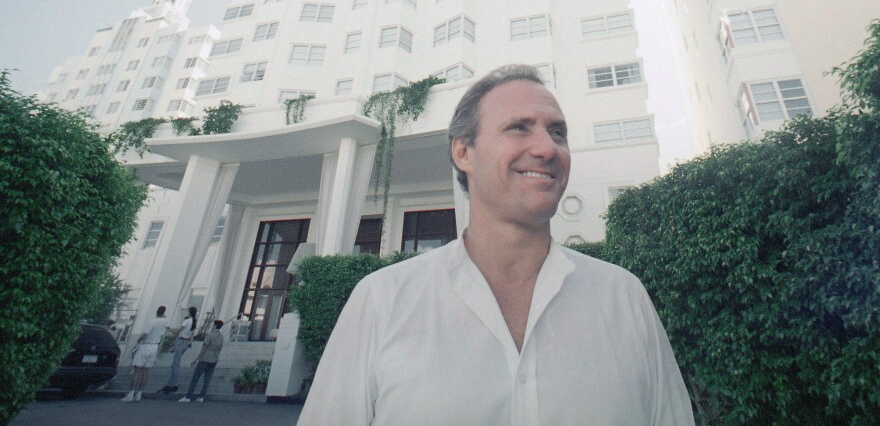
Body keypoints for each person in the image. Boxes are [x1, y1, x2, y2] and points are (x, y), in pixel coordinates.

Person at [299, 65, 695, 425]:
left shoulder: (624, 297)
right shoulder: (381, 300)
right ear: (463, 152)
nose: (547, 148)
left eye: (557, 132)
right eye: (519, 127)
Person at [121, 306, 168, 403]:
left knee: (137, 370)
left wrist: (138, 340)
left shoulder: (152, 322)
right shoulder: (164, 322)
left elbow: (145, 334)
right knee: (146, 371)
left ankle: (131, 393)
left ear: (156, 312)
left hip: (145, 345)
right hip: (154, 346)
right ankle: (139, 393)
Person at [179, 319, 224, 403]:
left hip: (205, 358)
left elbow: (204, 347)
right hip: (214, 358)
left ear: (214, 326)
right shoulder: (221, 336)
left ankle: (188, 396)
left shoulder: (210, 335)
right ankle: (201, 396)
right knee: (207, 379)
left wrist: (197, 359)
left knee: (195, 378)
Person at [158, 306, 197, 394]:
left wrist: (171, 331)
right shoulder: (194, 322)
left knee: (175, 365)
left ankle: (174, 384)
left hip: (181, 341)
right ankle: (170, 383)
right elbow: (192, 334)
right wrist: (190, 342)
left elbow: (179, 330)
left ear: (190, 312)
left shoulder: (187, 321)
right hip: (185, 343)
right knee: (174, 364)